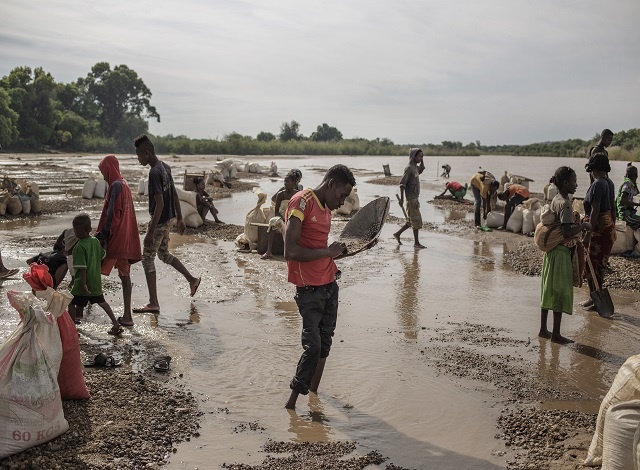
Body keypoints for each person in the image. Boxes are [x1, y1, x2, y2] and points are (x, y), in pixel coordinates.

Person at [284, 164, 359, 410]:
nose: (342, 203)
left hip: (329, 284)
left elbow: (324, 254)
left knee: (325, 342)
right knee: (313, 347)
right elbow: (290, 251)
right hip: (308, 289)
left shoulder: (326, 209)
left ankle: (314, 397)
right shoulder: (301, 202)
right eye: (341, 196)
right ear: (331, 184)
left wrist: (355, 249)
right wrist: (328, 251)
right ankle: (292, 404)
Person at [133, 134, 201, 314]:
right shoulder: (165, 167)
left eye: (139, 155)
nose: (138, 159)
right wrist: (179, 218)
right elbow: (174, 195)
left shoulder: (155, 172)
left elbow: (161, 204)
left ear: (146, 153)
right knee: (163, 254)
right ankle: (192, 279)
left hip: (160, 221)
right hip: (168, 219)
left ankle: (153, 303)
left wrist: (150, 232)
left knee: (147, 258)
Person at [539, 167, 591, 344]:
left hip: (551, 252)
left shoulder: (555, 199)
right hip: (561, 254)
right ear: (566, 182)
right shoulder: (567, 204)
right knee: (560, 291)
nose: (576, 185)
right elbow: (567, 231)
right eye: (574, 181)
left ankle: (543, 329)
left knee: (548, 290)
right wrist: (583, 227)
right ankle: (556, 335)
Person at [95, 154, 142, 327]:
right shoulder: (124, 185)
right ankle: (127, 316)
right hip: (125, 239)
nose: (103, 176)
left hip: (115, 239)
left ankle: (80, 308)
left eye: (103, 171)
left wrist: (102, 236)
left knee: (92, 269)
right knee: (125, 275)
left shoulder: (115, 186)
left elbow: (112, 215)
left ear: (109, 169)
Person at [67, 213, 123, 335]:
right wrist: (106, 244)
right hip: (96, 282)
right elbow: (103, 255)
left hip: (83, 284)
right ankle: (115, 323)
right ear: (89, 230)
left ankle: (71, 329)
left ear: (76, 231)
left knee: (70, 302)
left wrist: (82, 284)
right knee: (102, 302)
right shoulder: (95, 242)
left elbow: (82, 268)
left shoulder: (79, 247)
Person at [582, 153, 616, 311]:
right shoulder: (609, 182)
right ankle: (595, 297)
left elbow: (595, 211)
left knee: (591, 266)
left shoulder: (597, 184)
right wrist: (613, 227)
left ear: (593, 167)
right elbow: (612, 208)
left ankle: (594, 298)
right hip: (607, 229)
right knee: (599, 265)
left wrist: (588, 234)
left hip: (597, 230)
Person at [261, 171, 299, 259]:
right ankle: (269, 251)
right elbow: (276, 211)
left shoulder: (297, 194)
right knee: (273, 222)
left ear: (294, 183)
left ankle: (295, 250)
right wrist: (283, 218)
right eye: (284, 182)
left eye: (287, 182)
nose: (285, 184)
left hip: (293, 217)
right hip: (281, 217)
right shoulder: (281, 194)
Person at [393, 148, 426, 248]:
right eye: (419, 156)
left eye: (421, 156)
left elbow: (422, 168)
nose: (420, 158)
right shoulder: (409, 168)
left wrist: (422, 158)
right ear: (413, 156)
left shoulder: (415, 167)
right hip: (411, 199)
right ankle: (416, 243)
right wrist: (402, 199)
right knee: (415, 220)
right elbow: (402, 184)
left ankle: (397, 234)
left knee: (410, 221)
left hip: (415, 198)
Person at [616, 163, 640, 257]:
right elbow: (622, 199)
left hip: (629, 213)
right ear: (635, 175)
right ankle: (635, 253)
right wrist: (637, 204)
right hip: (626, 215)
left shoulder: (630, 183)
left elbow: (637, 192)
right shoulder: (627, 184)